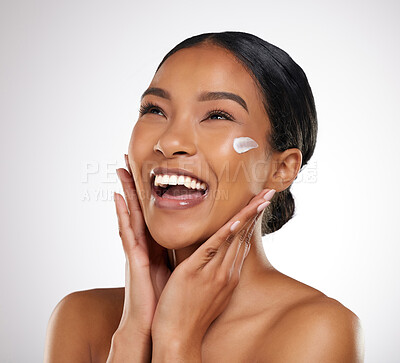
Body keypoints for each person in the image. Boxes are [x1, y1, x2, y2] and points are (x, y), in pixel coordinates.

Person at [44, 31, 364, 362]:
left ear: (281, 168)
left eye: (217, 115)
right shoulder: (81, 317)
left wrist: (175, 341)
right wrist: (133, 334)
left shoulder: (317, 329)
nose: (169, 142)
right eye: (155, 110)